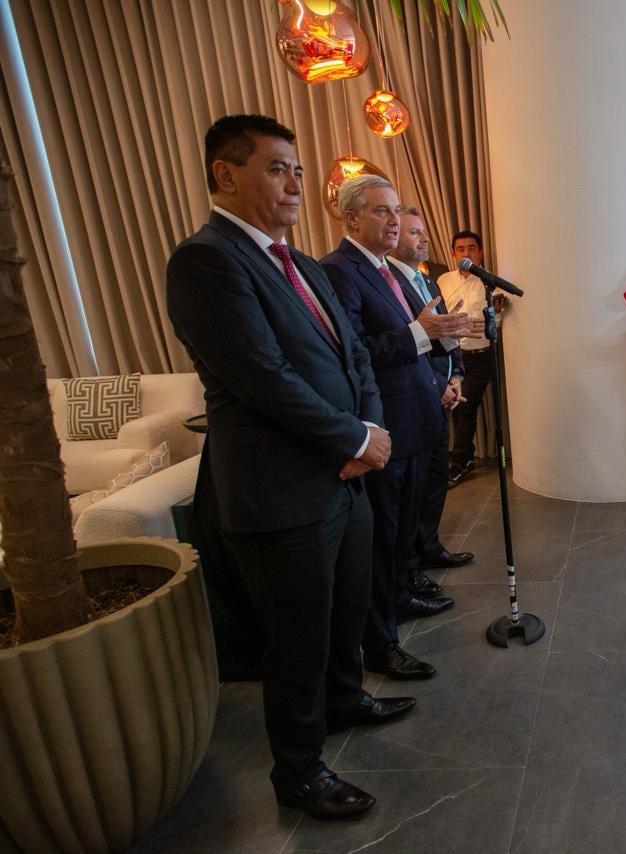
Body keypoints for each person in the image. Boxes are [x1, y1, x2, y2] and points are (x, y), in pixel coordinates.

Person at [167, 114, 408, 821]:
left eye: (298, 170)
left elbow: (355, 355)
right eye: (278, 168)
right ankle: (299, 774)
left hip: (342, 477)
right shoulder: (206, 260)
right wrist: (351, 441)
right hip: (279, 492)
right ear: (225, 174)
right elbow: (262, 378)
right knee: (297, 638)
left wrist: (369, 429)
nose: (296, 183)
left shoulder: (300, 263)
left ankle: (344, 698)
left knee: (346, 607)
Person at [322, 176, 470, 683]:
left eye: (394, 212)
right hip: (385, 426)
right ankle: (381, 645)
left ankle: (401, 598)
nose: (392, 221)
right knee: (381, 541)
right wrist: (420, 332)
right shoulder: (339, 271)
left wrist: (441, 340)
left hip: (417, 417)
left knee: (402, 532)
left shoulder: (390, 272)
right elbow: (354, 353)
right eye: (381, 212)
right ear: (351, 219)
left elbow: (418, 339)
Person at [387, 206, 476, 577]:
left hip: (439, 392)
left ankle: (430, 546)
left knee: (435, 480)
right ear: (393, 239)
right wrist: (439, 385)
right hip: (415, 400)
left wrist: (455, 377)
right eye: (413, 233)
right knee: (415, 489)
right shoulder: (390, 281)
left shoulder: (427, 279)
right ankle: (410, 566)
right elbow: (408, 345)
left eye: (424, 232)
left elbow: (444, 336)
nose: (424, 239)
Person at [437, 230, 507, 487]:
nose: (466, 253)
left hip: (480, 355)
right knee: (450, 407)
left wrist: (483, 323)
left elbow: (497, 320)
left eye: (471, 248)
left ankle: (461, 462)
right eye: (460, 249)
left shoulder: (490, 283)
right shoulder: (443, 280)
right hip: (449, 354)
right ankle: (456, 458)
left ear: (480, 252)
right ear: (454, 253)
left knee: (465, 406)